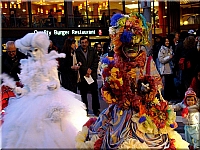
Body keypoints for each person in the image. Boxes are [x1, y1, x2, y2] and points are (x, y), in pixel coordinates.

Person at [75, 13, 188, 149]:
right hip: (121, 111)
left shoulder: (147, 62)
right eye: (128, 44)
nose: (132, 47)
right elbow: (107, 90)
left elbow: (157, 85)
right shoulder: (115, 63)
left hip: (143, 109)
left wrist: (149, 90)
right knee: (112, 137)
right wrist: (115, 88)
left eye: (135, 44)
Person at [1, 32, 88, 148]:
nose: (33, 53)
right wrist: (22, 91)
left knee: (52, 128)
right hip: (30, 102)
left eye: (36, 50)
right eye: (31, 51)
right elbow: (28, 86)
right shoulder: (27, 65)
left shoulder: (50, 64)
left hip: (47, 98)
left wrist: (53, 86)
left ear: (41, 49)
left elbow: (56, 82)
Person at [75, 36, 100, 116]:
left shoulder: (93, 50)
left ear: (88, 43)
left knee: (94, 93)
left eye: (85, 42)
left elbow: (96, 61)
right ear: (80, 43)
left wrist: (91, 69)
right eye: (82, 42)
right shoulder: (77, 51)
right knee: (83, 94)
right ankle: (85, 110)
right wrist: (86, 70)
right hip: (83, 75)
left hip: (92, 75)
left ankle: (96, 109)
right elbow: (77, 63)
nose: (84, 44)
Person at [158, 37, 176, 101]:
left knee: (171, 85)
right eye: (166, 41)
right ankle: (166, 99)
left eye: (168, 41)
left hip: (171, 70)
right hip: (165, 70)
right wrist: (169, 57)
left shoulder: (171, 48)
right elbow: (161, 60)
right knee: (166, 86)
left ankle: (172, 98)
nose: (167, 42)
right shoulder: (162, 49)